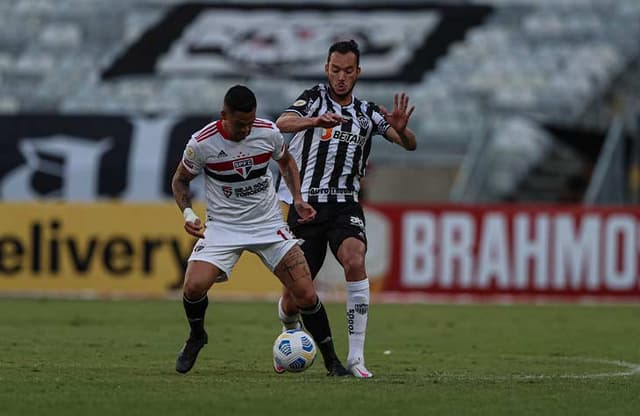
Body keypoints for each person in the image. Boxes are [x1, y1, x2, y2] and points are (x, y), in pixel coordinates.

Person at [171, 85, 349, 376]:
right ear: (223, 115)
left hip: (268, 224)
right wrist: (188, 213)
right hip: (224, 227)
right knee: (192, 286)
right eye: (240, 125)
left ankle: (332, 362)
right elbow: (180, 181)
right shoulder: (201, 143)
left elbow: (286, 161)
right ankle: (197, 336)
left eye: (250, 123)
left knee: (305, 293)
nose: (245, 130)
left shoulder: (266, 132)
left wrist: (299, 198)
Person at [275, 40, 417, 378]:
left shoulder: (367, 112)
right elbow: (282, 122)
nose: (341, 77)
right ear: (327, 69)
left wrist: (400, 129)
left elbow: (409, 144)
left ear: (358, 73)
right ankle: (288, 328)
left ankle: (356, 357)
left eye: (348, 71)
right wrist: (313, 122)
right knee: (297, 295)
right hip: (306, 204)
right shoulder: (312, 98)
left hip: (344, 205)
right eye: (335, 70)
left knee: (355, 260)